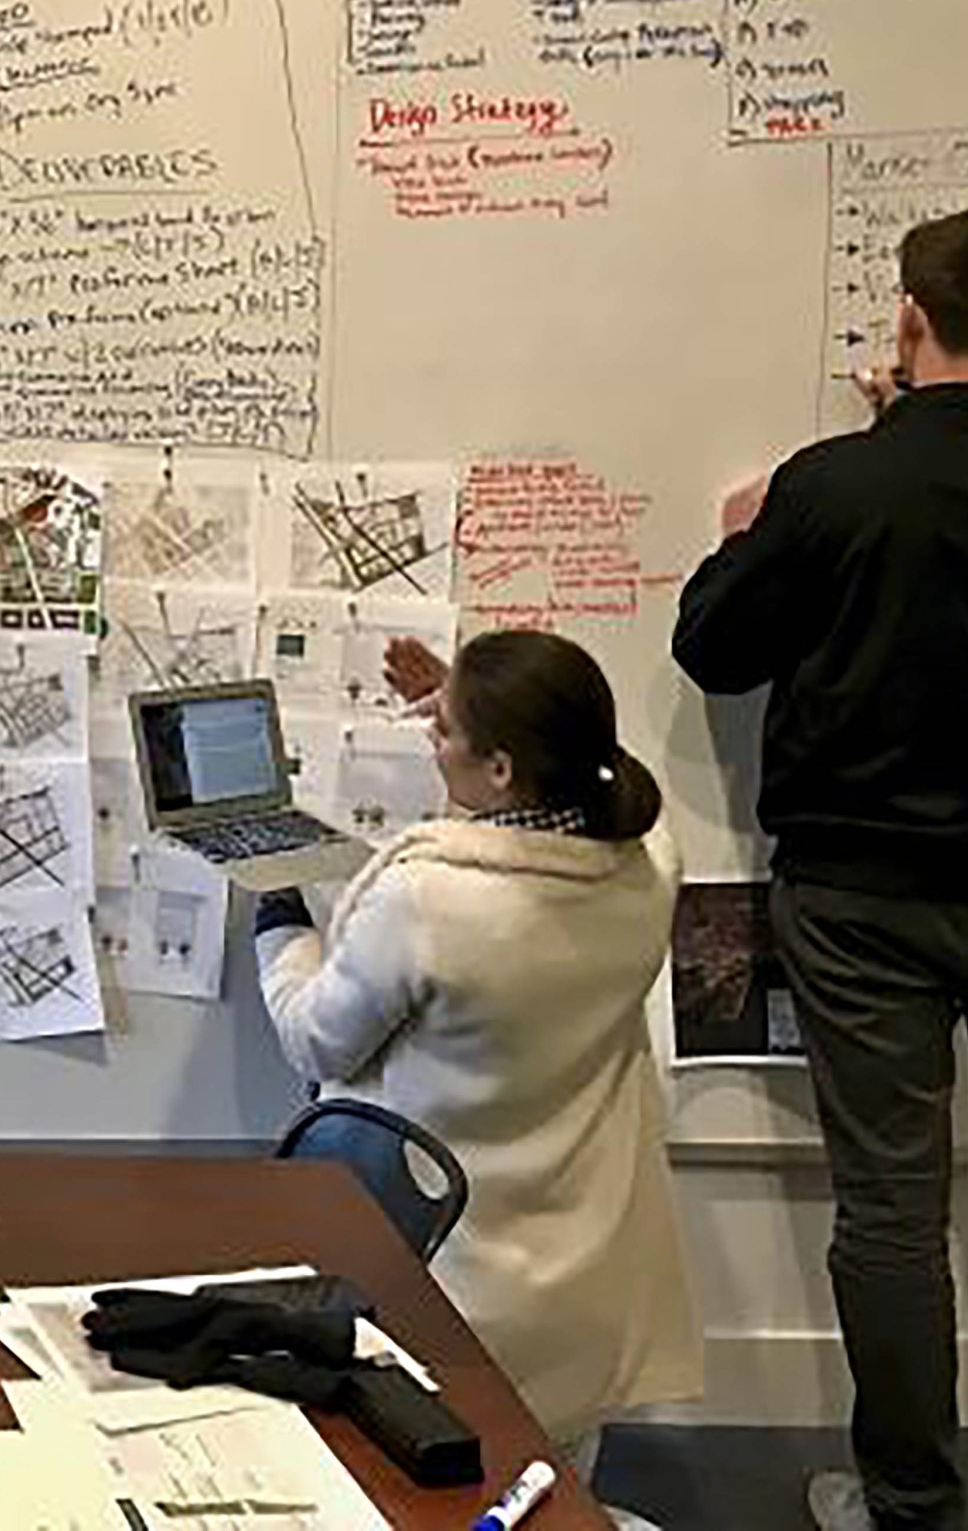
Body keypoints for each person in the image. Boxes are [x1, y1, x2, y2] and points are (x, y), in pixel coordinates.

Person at [673, 203, 968, 1531]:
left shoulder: (835, 485)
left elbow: (715, 648)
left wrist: (748, 529)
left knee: (889, 1206)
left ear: (909, 317)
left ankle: (910, 1500)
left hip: (860, 897)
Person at [254, 629, 699, 1486]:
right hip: (584, 1265)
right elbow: (579, 771)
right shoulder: (651, 866)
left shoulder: (430, 898)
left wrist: (277, 919)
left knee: (434, 1473)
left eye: (446, 728)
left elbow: (314, 1037)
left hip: (455, 1267)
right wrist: (461, 700)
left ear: (499, 770)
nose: (432, 737)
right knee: (553, 1477)